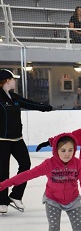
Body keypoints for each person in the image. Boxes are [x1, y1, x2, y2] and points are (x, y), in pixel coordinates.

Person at [0, 69, 53, 214]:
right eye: (13, 79)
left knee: (25, 164)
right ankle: (2, 201)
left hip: (17, 139)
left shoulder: (13, 97)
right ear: (6, 81)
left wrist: (45, 108)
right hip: (2, 140)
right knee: (2, 171)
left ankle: (16, 195)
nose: (14, 81)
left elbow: (29, 103)